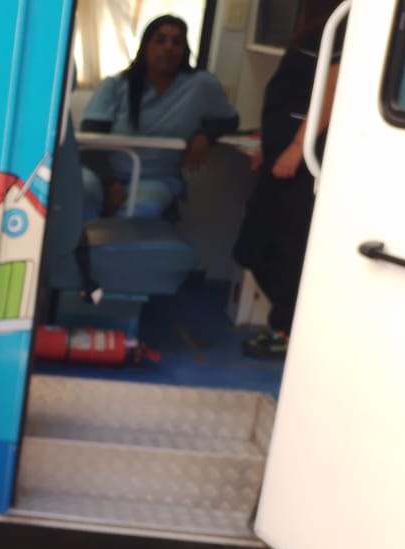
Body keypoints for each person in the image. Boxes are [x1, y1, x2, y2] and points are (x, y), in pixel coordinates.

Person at [234, 0, 344, 361]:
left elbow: (332, 89)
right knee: (252, 246)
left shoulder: (343, 25)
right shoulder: (312, 29)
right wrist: (268, 145)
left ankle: (287, 328)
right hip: (279, 151)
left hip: (303, 158)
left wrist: (298, 147)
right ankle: (291, 323)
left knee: (288, 249)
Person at [80, 15, 239, 219]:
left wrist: (205, 135)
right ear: (145, 46)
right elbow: (90, 143)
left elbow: (231, 121)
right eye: (160, 40)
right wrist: (110, 183)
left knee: (143, 208)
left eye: (177, 42)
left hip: (155, 179)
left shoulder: (201, 85)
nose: (168, 47)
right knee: (82, 191)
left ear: (185, 49)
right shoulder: (115, 85)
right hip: (103, 174)